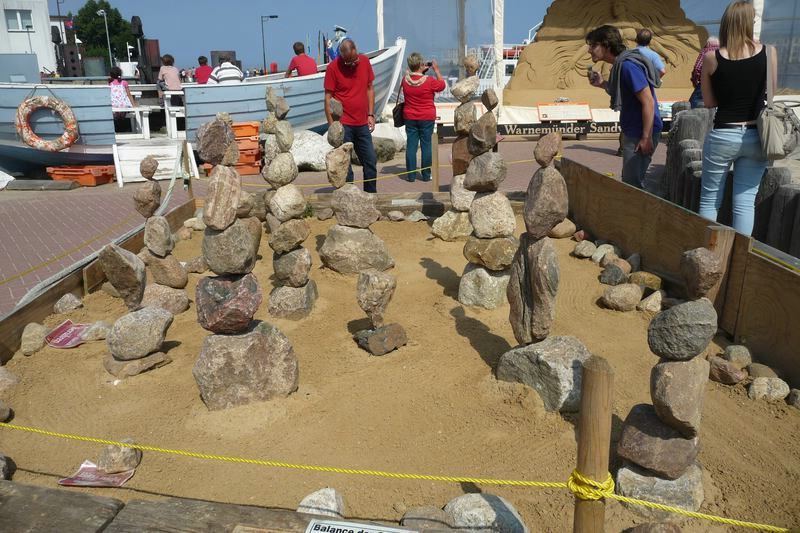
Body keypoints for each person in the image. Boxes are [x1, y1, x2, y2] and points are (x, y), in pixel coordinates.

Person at [698, 1, 776, 236]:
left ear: (726, 23)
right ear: (750, 22)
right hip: (756, 135)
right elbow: (770, 97)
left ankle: (707, 252)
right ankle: (739, 254)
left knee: (710, 199)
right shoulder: (769, 52)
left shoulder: (711, 58)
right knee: (744, 202)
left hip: (724, 133)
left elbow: (709, 102)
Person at [587, 25, 663, 190]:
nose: (589, 50)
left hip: (640, 133)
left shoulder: (628, 66)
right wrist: (602, 84)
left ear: (606, 45)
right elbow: (625, 92)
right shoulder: (620, 65)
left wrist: (646, 138)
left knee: (632, 187)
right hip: (634, 131)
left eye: (593, 45)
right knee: (631, 184)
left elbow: (648, 102)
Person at [324, 38, 378, 193]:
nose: (353, 65)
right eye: (348, 62)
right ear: (341, 55)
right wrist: (332, 126)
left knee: (370, 161)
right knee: (346, 167)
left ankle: (370, 195)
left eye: (355, 61)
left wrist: (371, 114)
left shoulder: (364, 61)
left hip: (362, 123)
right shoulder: (333, 68)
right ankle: (348, 196)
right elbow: (328, 99)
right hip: (343, 124)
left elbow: (369, 88)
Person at [401, 53, 446, 182]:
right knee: (426, 146)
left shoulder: (405, 80)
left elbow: (413, 76)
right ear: (421, 64)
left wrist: (419, 69)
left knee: (411, 146)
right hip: (426, 117)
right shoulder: (429, 81)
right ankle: (426, 175)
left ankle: (411, 175)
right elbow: (442, 85)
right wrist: (436, 70)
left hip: (410, 117)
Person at [689, 37, 720, 108]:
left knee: (694, 101)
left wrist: (695, 81)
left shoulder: (705, 52)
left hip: (706, 82)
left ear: (708, 44)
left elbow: (697, 68)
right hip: (720, 82)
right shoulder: (723, 52)